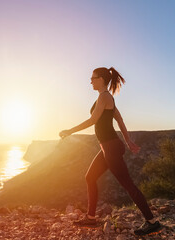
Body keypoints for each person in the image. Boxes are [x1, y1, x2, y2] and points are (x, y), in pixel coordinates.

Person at [59, 67, 161, 236]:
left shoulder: (104, 96)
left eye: (93, 78)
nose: (90, 81)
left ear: (101, 79)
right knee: (90, 177)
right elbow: (120, 120)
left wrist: (69, 131)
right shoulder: (106, 98)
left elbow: (93, 120)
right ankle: (91, 218)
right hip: (109, 147)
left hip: (111, 147)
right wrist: (128, 141)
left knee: (128, 185)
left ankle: (152, 222)